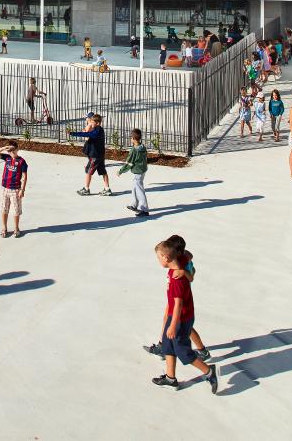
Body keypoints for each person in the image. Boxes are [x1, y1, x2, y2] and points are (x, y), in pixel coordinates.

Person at [149, 238, 218, 393]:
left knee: (182, 350)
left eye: (159, 257)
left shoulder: (177, 280)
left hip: (180, 318)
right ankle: (170, 378)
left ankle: (209, 372)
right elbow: (188, 255)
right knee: (167, 345)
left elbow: (179, 304)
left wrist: (173, 325)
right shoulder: (179, 259)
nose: (158, 260)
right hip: (175, 316)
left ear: (166, 258)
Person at [144, 235, 211, 361]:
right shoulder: (183, 257)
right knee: (185, 326)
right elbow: (189, 255)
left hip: (178, 296)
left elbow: (190, 273)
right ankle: (201, 350)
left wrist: (183, 271)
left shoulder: (180, 263)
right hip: (178, 294)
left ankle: (163, 347)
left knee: (173, 321)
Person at [0, 140, 27, 238]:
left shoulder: (21, 161)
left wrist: (22, 190)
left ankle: (16, 228)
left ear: (17, 149)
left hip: (15, 189)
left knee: (16, 210)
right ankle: (4, 228)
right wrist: (4, 148)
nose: (12, 152)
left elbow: (24, 177)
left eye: (13, 150)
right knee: (4, 209)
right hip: (4, 188)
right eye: (10, 151)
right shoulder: (6, 158)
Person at [71, 113, 111, 196]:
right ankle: (107, 189)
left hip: (95, 156)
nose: (91, 123)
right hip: (100, 155)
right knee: (103, 171)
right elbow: (87, 132)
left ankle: (86, 189)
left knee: (89, 171)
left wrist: (73, 133)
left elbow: (86, 134)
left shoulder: (97, 132)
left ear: (97, 123)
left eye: (92, 122)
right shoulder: (98, 129)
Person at [119, 128, 149, 217]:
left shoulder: (134, 150)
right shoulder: (142, 147)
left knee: (139, 189)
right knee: (135, 187)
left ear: (133, 139)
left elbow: (129, 163)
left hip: (138, 172)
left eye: (131, 137)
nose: (130, 139)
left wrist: (121, 171)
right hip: (142, 170)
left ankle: (144, 209)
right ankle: (134, 204)